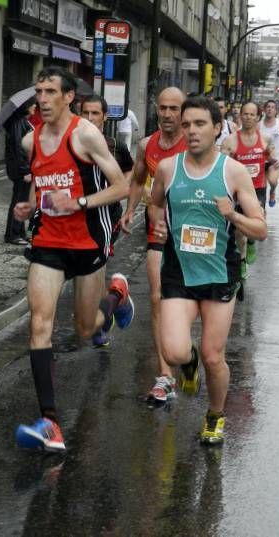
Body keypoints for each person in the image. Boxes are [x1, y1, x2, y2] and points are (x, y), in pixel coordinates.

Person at [12, 67, 133, 452]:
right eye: (38, 91)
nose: (42, 99)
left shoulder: (85, 134)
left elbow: (122, 186)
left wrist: (78, 202)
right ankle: (50, 422)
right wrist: (28, 207)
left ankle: (116, 297)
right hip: (48, 242)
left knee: (85, 328)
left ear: (68, 97)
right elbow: (38, 183)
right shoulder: (31, 141)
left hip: (88, 241)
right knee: (39, 324)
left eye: (50, 92)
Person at [149, 96, 267, 445]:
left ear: (217, 128)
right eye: (186, 125)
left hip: (218, 273)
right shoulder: (169, 169)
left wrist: (232, 215)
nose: (191, 131)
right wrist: (158, 226)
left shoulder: (233, 172)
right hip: (179, 272)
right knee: (172, 351)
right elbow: (155, 202)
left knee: (215, 357)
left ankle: (215, 415)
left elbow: (260, 229)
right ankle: (188, 363)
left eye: (199, 124)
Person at [119, 87, 188, 404]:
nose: (168, 114)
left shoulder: (196, 145)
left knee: (188, 303)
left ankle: (185, 350)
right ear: (156, 109)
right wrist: (130, 209)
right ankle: (165, 376)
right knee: (159, 298)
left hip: (190, 236)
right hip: (157, 230)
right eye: (163, 108)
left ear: (183, 111)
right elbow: (136, 179)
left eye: (175, 108)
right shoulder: (147, 144)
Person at [220, 101, 275, 276]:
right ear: (240, 116)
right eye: (245, 113)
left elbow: (272, 160)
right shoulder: (230, 140)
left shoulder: (266, 139)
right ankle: (242, 260)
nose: (248, 117)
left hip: (257, 189)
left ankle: (251, 243)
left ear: (258, 117)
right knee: (238, 229)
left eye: (252, 114)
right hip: (237, 190)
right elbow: (222, 166)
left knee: (255, 225)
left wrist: (274, 169)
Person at [80, 94, 134, 275]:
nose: (89, 118)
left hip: (108, 214)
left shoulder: (116, 146)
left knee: (96, 265)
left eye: (95, 113)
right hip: (78, 212)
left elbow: (129, 170)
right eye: (85, 112)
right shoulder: (70, 144)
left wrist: (120, 189)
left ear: (104, 116)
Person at [4, 98, 35, 246]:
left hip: (24, 169)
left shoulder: (24, 121)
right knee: (19, 200)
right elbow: (19, 148)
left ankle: (20, 232)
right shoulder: (19, 123)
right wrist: (25, 170)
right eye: (32, 104)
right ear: (26, 107)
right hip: (21, 170)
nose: (35, 106)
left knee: (22, 199)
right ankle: (13, 234)